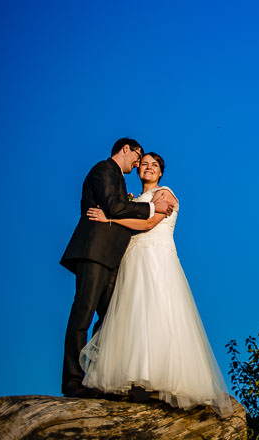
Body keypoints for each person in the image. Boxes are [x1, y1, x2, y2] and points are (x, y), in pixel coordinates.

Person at [81, 152, 234, 417]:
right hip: (132, 258)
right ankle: (134, 377)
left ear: (161, 172)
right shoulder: (134, 199)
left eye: (154, 165)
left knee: (156, 311)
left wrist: (110, 219)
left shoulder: (165, 193)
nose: (148, 168)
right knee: (133, 315)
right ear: (138, 169)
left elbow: (149, 222)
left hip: (154, 256)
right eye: (144, 165)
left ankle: (157, 376)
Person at [60, 138, 170, 398]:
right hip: (95, 253)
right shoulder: (104, 170)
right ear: (126, 149)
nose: (138, 163)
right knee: (83, 314)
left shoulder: (119, 178)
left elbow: (116, 211)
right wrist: (151, 207)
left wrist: (116, 215)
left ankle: (98, 378)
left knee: (110, 321)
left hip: (112, 258)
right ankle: (73, 381)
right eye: (138, 157)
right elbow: (114, 205)